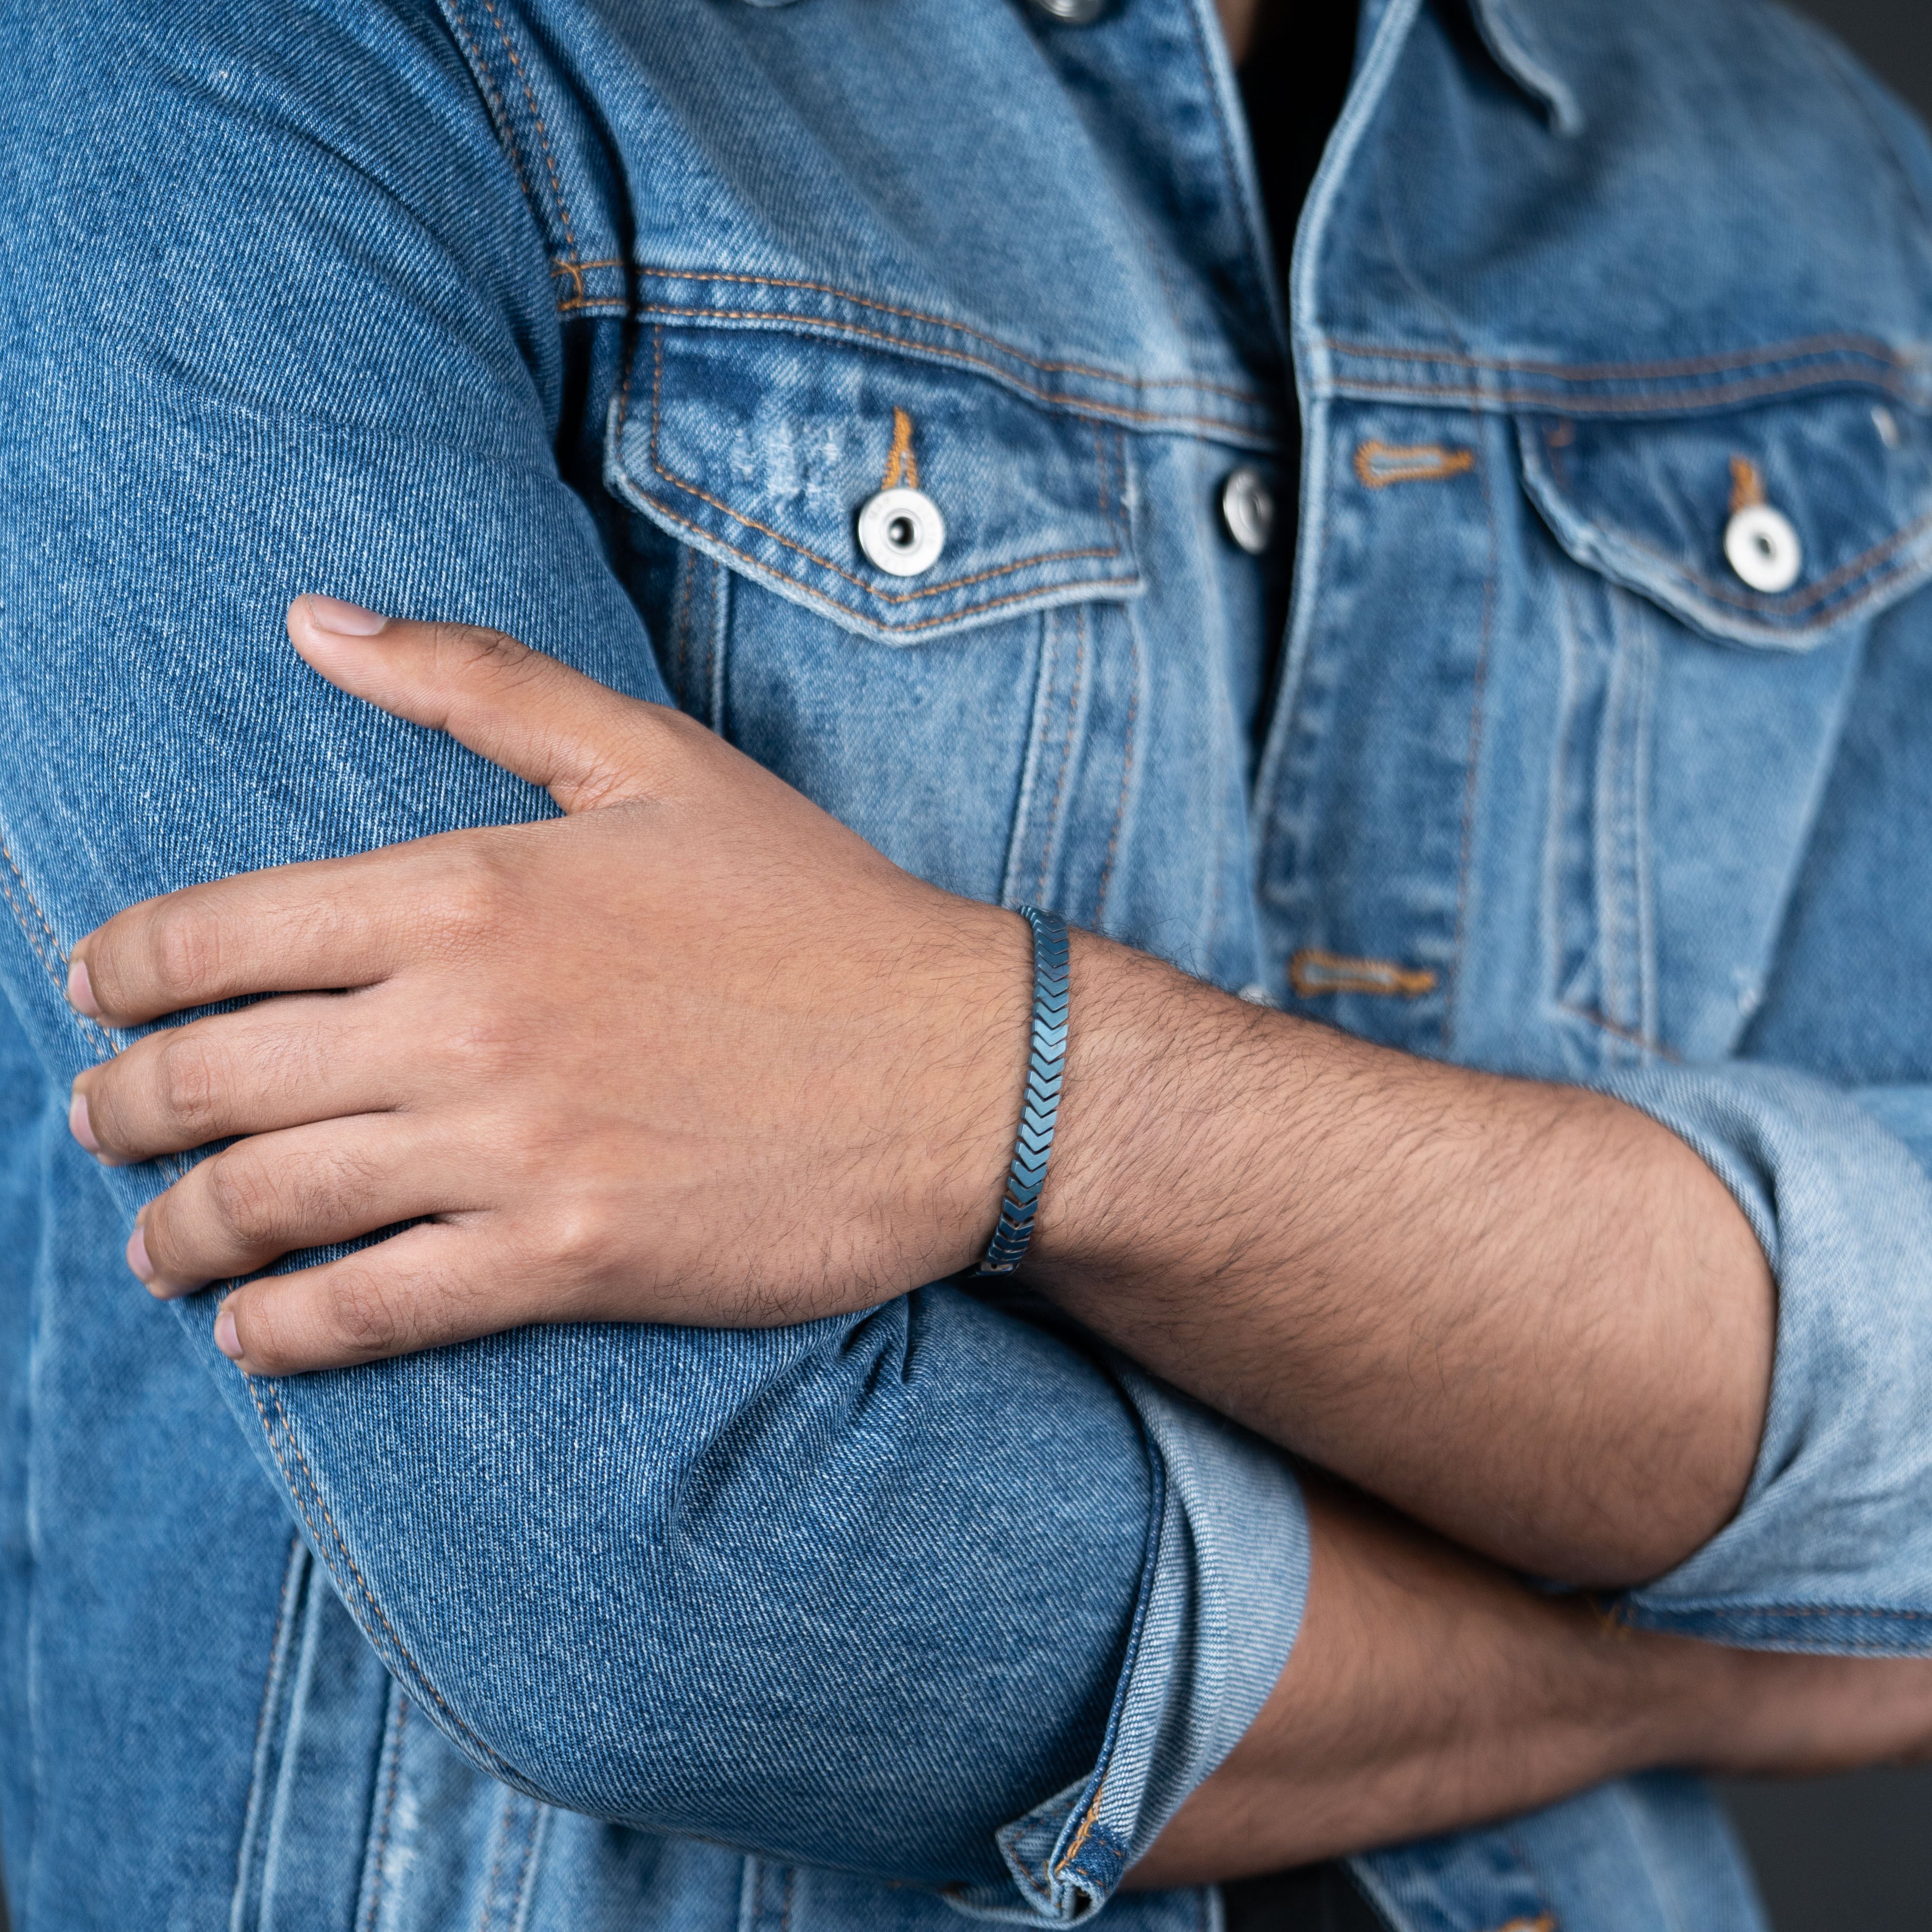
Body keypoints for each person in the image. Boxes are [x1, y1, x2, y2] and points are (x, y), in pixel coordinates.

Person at [4, 0, 1932, 1927]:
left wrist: (1007, 1079)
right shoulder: (238, 58)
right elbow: (672, 1592)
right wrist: (1701, 1667)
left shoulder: (1814, 180)